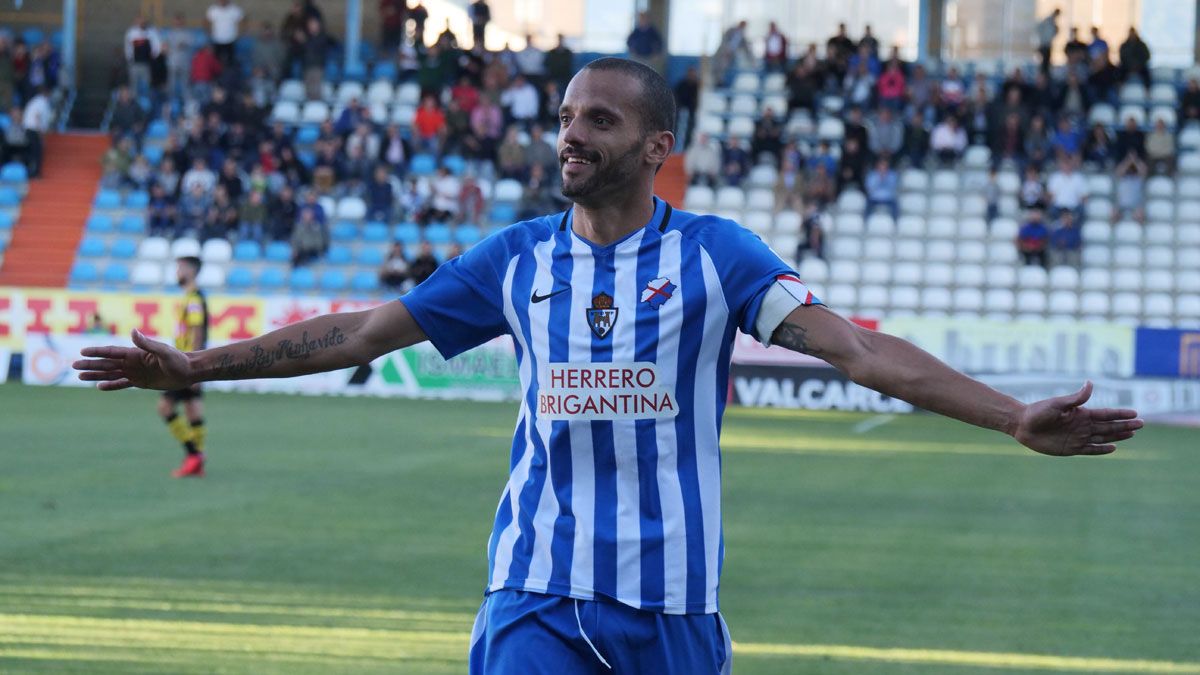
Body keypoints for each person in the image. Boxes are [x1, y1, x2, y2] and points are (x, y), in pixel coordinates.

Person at [76, 57, 1142, 674]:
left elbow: (862, 353)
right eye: (565, 117)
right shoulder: (514, 259)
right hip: (535, 595)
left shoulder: (719, 257)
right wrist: (195, 368)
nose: (570, 135)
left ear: (657, 146)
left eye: (600, 119)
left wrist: (1009, 417)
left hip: (676, 611)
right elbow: (356, 334)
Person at [156, 256, 210, 478]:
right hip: (188, 362)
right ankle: (197, 462)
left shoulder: (194, 298)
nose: (177, 271)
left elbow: (197, 331)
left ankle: (194, 454)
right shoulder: (191, 296)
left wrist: (193, 364)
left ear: (191, 270)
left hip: (185, 363)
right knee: (192, 407)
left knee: (165, 408)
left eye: (180, 267)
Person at [124, 15, 161, 95]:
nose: (141, 23)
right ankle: (134, 104)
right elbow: (128, 47)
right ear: (136, 22)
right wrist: (129, 59)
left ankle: (146, 104)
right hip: (134, 64)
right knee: (133, 86)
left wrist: (154, 55)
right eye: (139, 21)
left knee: (147, 86)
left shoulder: (151, 32)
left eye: (143, 21)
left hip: (147, 64)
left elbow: (157, 45)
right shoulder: (131, 33)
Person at [206, 0, 244, 67]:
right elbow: (207, 21)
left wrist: (239, 33)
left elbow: (242, 21)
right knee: (215, 62)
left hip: (231, 40)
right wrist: (209, 32)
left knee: (230, 62)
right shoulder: (213, 9)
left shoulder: (235, 9)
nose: (222, 1)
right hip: (216, 39)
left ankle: (230, 76)